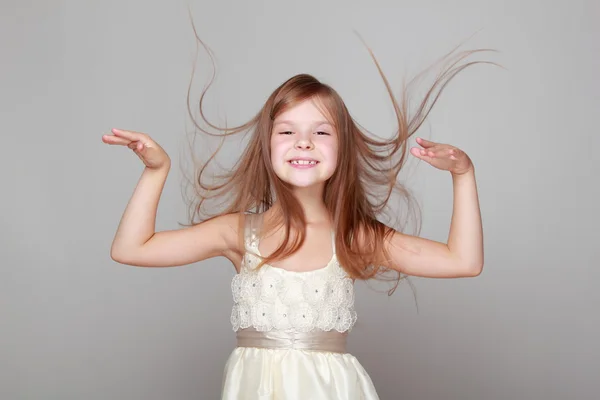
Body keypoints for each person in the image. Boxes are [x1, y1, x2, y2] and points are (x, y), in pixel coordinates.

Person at [102, 42, 488, 399]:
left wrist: (463, 174)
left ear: (342, 148)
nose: (303, 142)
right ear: (267, 145)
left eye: (321, 132)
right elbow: (130, 249)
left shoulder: (355, 237)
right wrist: (156, 171)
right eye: (287, 131)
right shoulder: (237, 232)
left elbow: (463, 261)